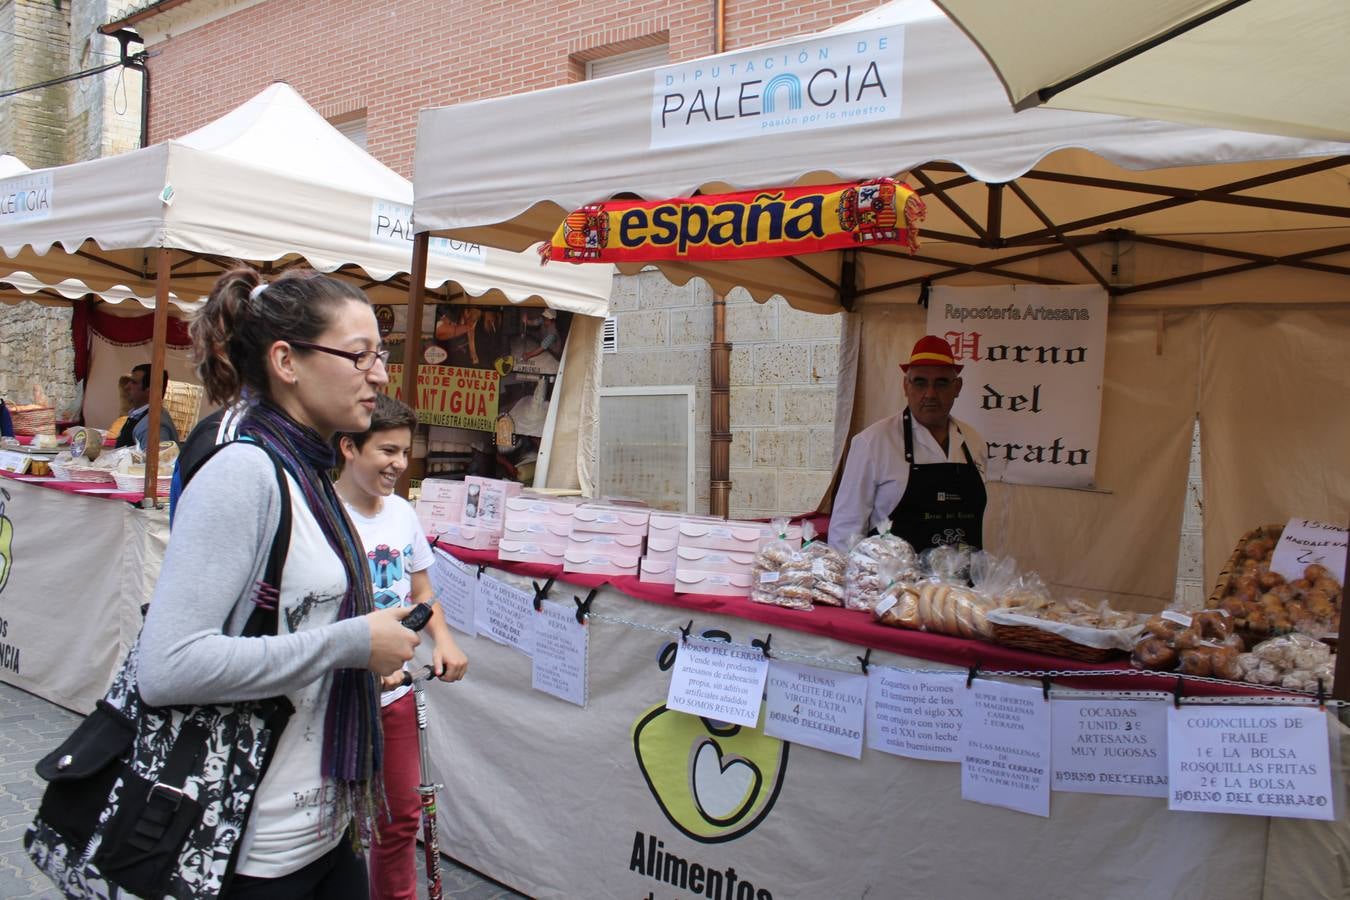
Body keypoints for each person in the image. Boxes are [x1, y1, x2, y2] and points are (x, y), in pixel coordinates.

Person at [137, 266, 422, 899]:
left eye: (379, 354)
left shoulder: (312, 469)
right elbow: (167, 664)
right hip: (250, 842)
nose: (378, 374)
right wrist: (350, 644)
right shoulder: (246, 470)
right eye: (358, 356)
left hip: (323, 826)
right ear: (286, 361)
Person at [334, 393, 468, 900]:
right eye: (387, 451)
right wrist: (364, 658)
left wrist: (444, 641)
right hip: (339, 696)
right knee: (340, 824)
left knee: (402, 815)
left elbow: (423, 593)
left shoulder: (403, 515)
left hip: (396, 694)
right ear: (350, 447)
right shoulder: (323, 514)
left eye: (404, 452)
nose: (399, 463)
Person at [828, 335, 988, 553]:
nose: (930, 394)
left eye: (941, 382)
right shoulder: (872, 443)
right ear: (906, 385)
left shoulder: (974, 442)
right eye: (920, 382)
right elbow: (845, 530)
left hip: (960, 585)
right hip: (894, 584)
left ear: (957, 387)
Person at [114, 362, 182, 448]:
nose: (126, 387)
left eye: (134, 383)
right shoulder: (138, 416)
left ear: (150, 389)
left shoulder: (154, 426)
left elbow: (159, 460)